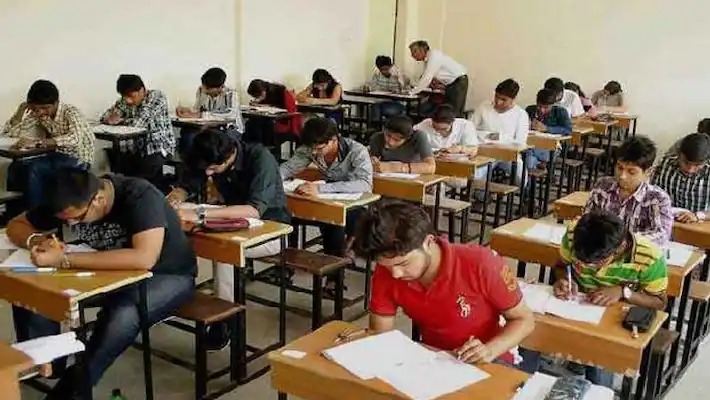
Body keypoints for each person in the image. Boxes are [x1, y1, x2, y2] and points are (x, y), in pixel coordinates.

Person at [6, 168, 196, 399]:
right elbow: (16, 225)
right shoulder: (69, 197)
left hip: (167, 275)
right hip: (109, 272)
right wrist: (38, 240)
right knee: (33, 289)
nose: (71, 224)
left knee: (122, 315)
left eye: (78, 218)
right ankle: (49, 363)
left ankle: (74, 389)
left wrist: (65, 260)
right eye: (66, 221)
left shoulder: (140, 196)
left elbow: (144, 258)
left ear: (98, 199)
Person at [353, 200, 535, 366]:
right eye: (387, 266)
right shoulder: (387, 271)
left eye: (404, 263)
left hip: (490, 358)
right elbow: (381, 336)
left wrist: (489, 350)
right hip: (435, 359)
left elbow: (524, 320)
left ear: (428, 242)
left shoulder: (481, 263)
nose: (396, 274)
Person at [168, 129, 289, 349]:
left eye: (213, 169)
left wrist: (200, 213)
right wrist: (177, 196)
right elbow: (189, 183)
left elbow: (253, 210)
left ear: (229, 157)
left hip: (271, 230)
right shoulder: (209, 154)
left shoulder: (260, 159)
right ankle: (170, 297)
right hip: (232, 225)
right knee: (182, 238)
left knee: (225, 252)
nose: (208, 174)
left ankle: (224, 321)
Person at [551, 210, 668, 386]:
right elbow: (561, 265)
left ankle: (600, 388)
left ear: (620, 248)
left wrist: (623, 292)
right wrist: (564, 279)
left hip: (615, 316)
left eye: (597, 262)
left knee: (600, 361)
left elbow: (660, 302)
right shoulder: (575, 234)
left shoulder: (649, 256)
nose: (589, 267)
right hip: (578, 305)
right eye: (581, 261)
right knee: (535, 332)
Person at [280, 117, 373, 295]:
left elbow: (364, 184)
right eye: (312, 148)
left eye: (319, 148)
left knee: (333, 222)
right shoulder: (311, 147)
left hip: (354, 207)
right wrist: (272, 180)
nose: (315, 152)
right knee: (287, 212)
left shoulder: (357, 151)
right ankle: (287, 265)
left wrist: (321, 188)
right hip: (326, 200)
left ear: (333, 140)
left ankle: (334, 278)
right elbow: (288, 168)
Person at [1, 80, 94, 208]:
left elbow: (75, 139)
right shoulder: (39, 113)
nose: (40, 112)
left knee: (34, 169)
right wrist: (20, 111)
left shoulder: (71, 112)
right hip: (56, 155)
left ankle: (36, 214)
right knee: (16, 167)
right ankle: (15, 212)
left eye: (45, 108)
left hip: (79, 158)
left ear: (56, 103)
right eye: (35, 108)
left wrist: (38, 142)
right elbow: (11, 133)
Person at [584, 136, 672, 245]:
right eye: (619, 168)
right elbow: (587, 220)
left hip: (636, 252)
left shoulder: (657, 199)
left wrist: (626, 241)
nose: (622, 176)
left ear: (649, 172)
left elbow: (661, 235)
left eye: (631, 172)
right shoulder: (602, 187)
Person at [101, 74, 175, 192]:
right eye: (124, 96)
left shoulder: (156, 97)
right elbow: (105, 117)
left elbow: (139, 122)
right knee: (118, 164)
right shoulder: (124, 100)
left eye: (131, 96)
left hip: (157, 148)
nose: (128, 100)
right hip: (136, 149)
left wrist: (119, 120)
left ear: (142, 90)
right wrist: (109, 119)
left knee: (142, 173)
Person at [175, 67, 244, 155]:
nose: (205, 90)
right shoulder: (201, 90)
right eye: (204, 87)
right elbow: (198, 109)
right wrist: (188, 111)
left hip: (230, 129)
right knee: (188, 134)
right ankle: (189, 161)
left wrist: (200, 115)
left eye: (208, 89)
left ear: (221, 87)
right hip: (208, 126)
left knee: (213, 140)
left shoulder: (231, 93)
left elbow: (230, 114)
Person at [472, 79, 529, 183]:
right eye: (496, 97)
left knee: (522, 180)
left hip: (508, 155)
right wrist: (490, 136)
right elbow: (470, 129)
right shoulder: (484, 107)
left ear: (513, 99)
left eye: (503, 99)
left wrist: (500, 138)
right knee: (475, 175)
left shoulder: (521, 114)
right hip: (484, 152)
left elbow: (520, 142)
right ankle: (481, 191)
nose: (498, 102)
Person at [653, 133, 710, 222]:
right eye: (686, 163)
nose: (690, 170)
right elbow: (653, 192)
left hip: (698, 224)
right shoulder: (666, 164)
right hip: (665, 220)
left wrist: (698, 215)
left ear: (706, 161)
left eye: (697, 165)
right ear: (679, 154)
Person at [409, 40, 469, 116]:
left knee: (453, 112)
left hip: (458, 82)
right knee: (447, 111)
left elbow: (427, 78)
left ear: (422, 50)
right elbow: (426, 78)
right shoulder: (428, 59)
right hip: (452, 84)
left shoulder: (434, 56)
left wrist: (412, 92)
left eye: (414, 52)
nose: (412, 55)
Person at [369, 115, 436, 174]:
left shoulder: (419, 136)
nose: (390, 142)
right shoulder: (377, 138)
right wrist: (373, 162)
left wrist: (396, 167)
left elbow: (431, 167)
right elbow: (372, 161)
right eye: (388, 135)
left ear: (407, 138)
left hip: (413, 177)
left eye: (396, 140)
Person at [525, 89, 573, 170]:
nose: (542, 110)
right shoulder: (530, 110)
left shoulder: (560, 112)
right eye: (539, 106)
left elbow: (568, 130)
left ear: (553, 105)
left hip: (550, 148)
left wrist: (546, 128)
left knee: (527, 154)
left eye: (546, 107)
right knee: (529, 160)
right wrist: (526, 125)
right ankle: (538, 166)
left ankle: (536, 166)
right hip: (532, 143)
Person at [365, 55, 409, 121]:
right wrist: (368, 88)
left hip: (397, 103)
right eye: (381, 70)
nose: (384, 72)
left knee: (377, 109)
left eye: (386, 69)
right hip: (382, 102)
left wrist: (399, 90)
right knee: (374, 107)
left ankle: (376, 126)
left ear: (391, 66)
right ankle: (377, 125)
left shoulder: (398, 74)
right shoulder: (377, 74)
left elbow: (407, 90)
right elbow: (372, 86)